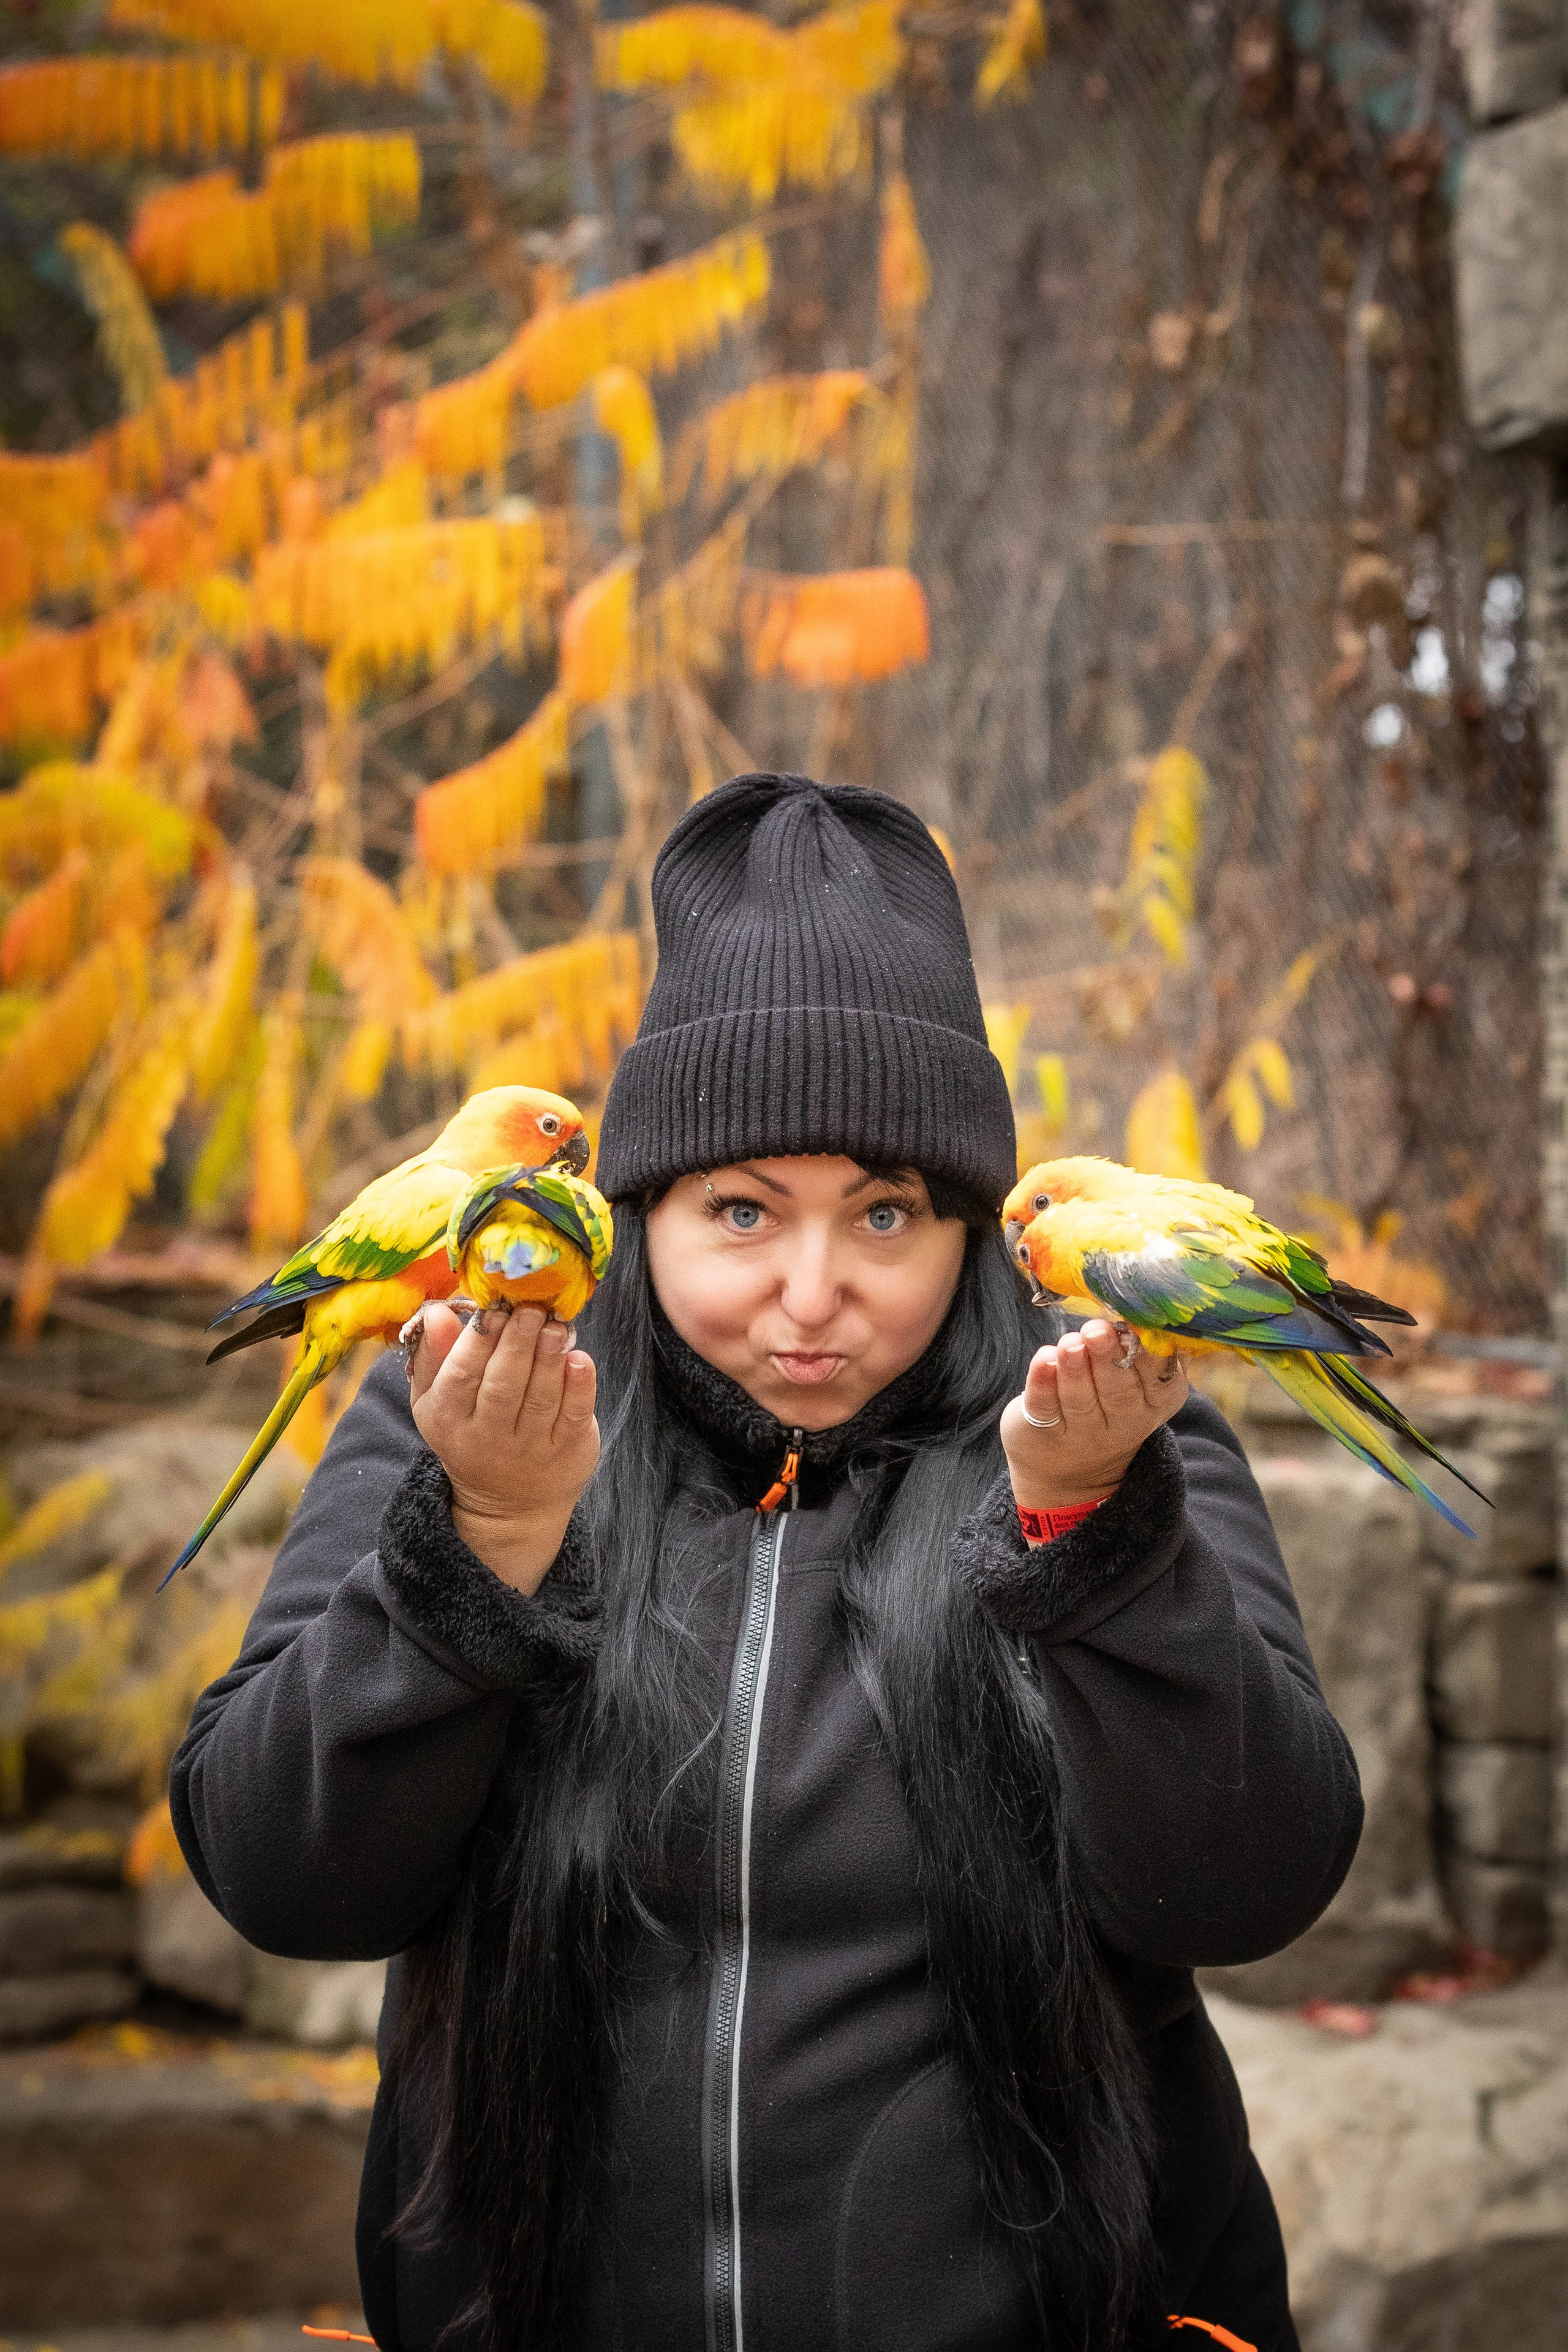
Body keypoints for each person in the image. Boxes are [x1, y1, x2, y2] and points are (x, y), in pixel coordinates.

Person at [172, 774, 1360, 2352]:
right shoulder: (467, 1407)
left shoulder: (1107, 1422)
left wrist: (1093, 1542)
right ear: (639, 1206)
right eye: (742, 1211)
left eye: (886, 1216)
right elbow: (281, 1874)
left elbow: (1253, 1880)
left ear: (981, 1230)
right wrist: (484, 1552)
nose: (813, 1296)